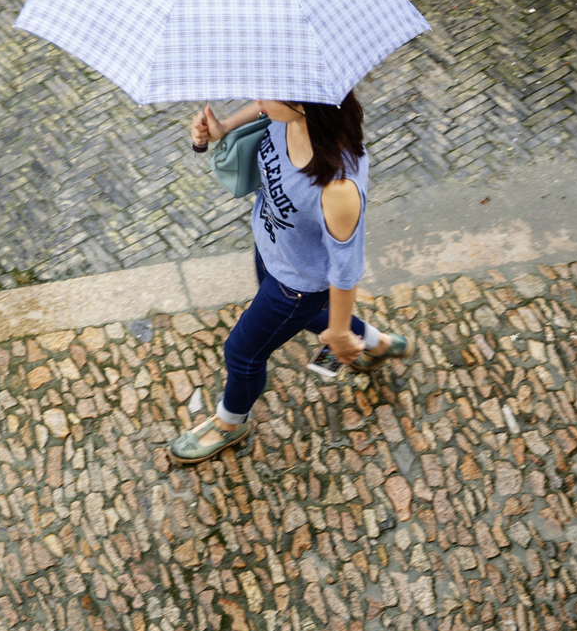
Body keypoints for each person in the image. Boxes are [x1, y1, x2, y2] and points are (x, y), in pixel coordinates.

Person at [170, 94, 410, 464]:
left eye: (272, 91)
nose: (260, 98)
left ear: (306, 104)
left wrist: (341, 331)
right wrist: (224, 128)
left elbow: (346, 268)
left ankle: (230, 423)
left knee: (242, 352)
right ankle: (376, 344)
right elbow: (265, 108)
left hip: (297, 286)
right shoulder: (288, 115)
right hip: (272, 250)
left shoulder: (338, 188)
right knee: (306, 320)